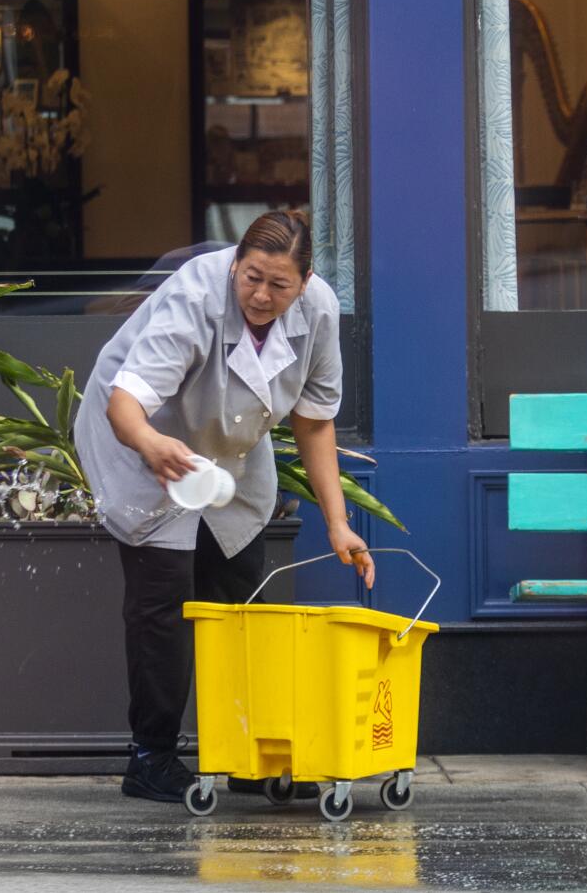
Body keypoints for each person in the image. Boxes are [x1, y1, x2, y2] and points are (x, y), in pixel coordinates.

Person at [72, 209, 374, 804]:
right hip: (142, 438)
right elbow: (126, 400)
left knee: (239, 589)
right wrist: (155, 446)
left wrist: (338, 522)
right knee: (162, 598)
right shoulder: (195, 294)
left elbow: (314, 423)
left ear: (306, 281)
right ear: (235, 264)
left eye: (279, 284)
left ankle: (243, 754)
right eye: (251, 277)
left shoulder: (320, 312)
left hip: (230, 445)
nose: (261, 295)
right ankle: (150, 757)